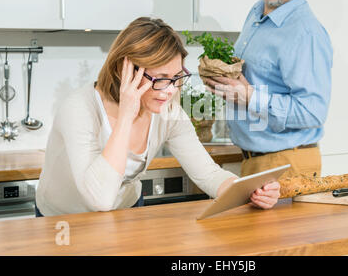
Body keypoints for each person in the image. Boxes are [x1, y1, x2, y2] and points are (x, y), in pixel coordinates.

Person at [35, 17, 280, 217]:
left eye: (176, 78)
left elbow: (208, 174)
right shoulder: (79, 109)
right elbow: (100, 198)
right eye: (161, 79)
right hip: (62, 221)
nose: (171, 90)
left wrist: (248, 192)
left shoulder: (168, 111)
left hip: (125, 214)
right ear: (125, 70)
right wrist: (126, 116)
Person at [204, 0, 333, 180]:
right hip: (257, 161)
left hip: (286, 165)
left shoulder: (305, 33)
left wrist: (249, 96)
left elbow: (313, 112)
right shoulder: (257, 12)